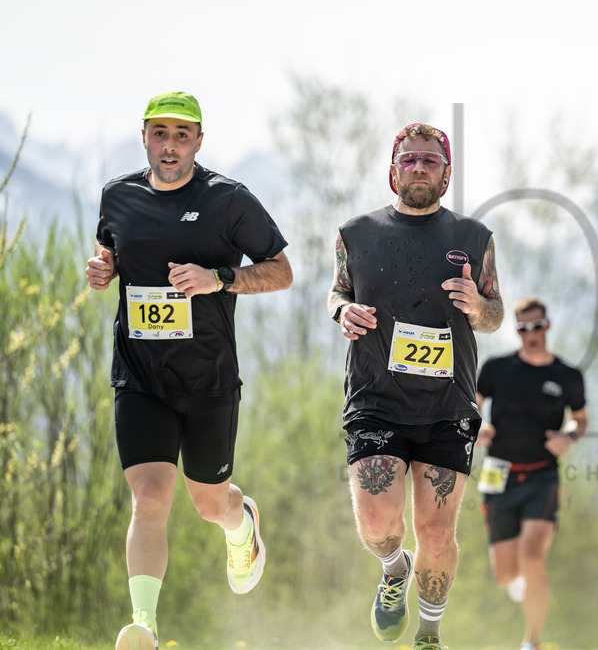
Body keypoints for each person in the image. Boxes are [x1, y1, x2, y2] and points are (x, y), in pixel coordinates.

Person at [86, 91, 292, 650]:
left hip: (208, 380)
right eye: (160, 133)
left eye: (182, 135)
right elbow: (113, 254)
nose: (170, 145)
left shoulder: (229, 200)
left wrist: (217, 279)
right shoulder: (117, 196)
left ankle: (242, 523)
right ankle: (144, 625)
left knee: (208, 503)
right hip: (140, 376)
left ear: (199, 141)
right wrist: (104, 270)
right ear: (144, 138)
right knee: (150, 497)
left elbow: (281, 272)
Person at [328, 123, 503, 650]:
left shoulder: (474, 238)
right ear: (393, 172)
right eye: (410, 160)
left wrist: (479, 307)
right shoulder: (356, 233)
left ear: (446, 175)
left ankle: (429, 633)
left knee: (437, 531)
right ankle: (393, 569)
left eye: (430, 160)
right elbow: (337, 291)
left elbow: (495, 314)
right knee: (375, 522)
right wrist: (342, 310)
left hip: (448, 405)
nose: (419, 167)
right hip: (376, 399)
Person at [474, 296, 589, 650]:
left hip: (542, 475)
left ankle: (532, 642)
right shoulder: (496, 368)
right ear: (517, 331)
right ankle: (523, 581)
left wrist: (569, 437)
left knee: (533, 557)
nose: (531, 334)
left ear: (547, 326)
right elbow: (471, 407)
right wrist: (476, 429)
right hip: (498, 474)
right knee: (505, 574)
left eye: (537, 326)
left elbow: (580, 420)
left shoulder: (568, 376)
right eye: (524, 328)